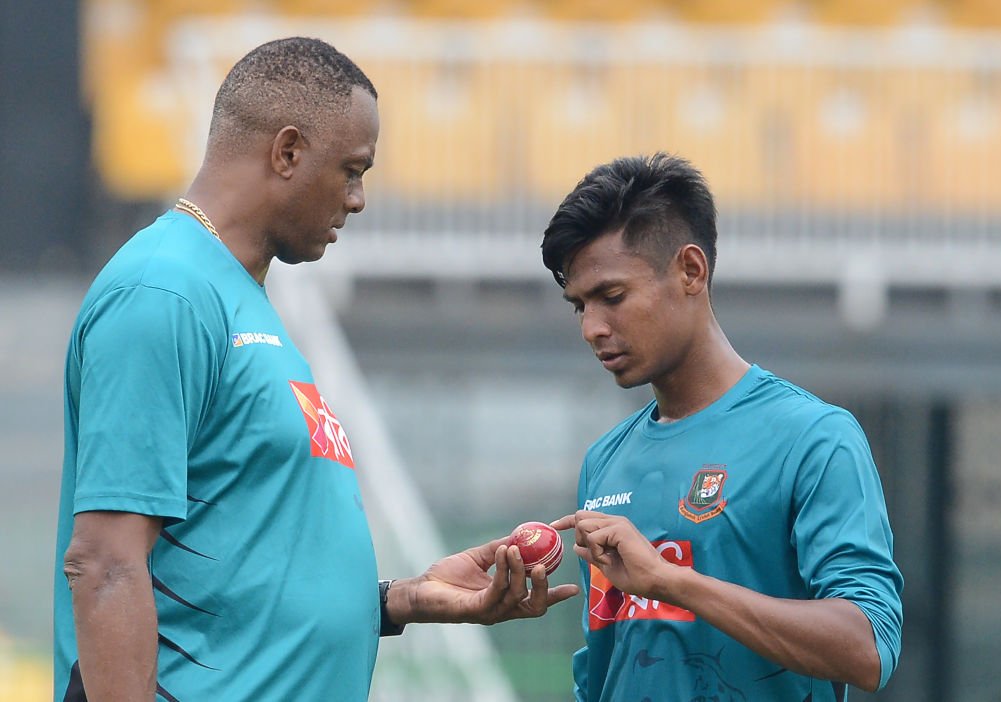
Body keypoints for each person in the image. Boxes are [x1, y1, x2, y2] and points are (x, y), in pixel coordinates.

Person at [54, 37, 577, 702]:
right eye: (352, 170)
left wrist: (402, 599)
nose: (357, 199)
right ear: (289, 152)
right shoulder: (165, 294)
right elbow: (104, 564)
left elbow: (251, 565)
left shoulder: (246, 303)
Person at [542, 153, 903, 701]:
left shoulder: (814, 438)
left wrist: (669, 583)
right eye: (579, 306)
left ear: (691, 270)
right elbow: (603, 671)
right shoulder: (605, 460)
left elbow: (868, 649)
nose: (593, 327)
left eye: (612, 297)